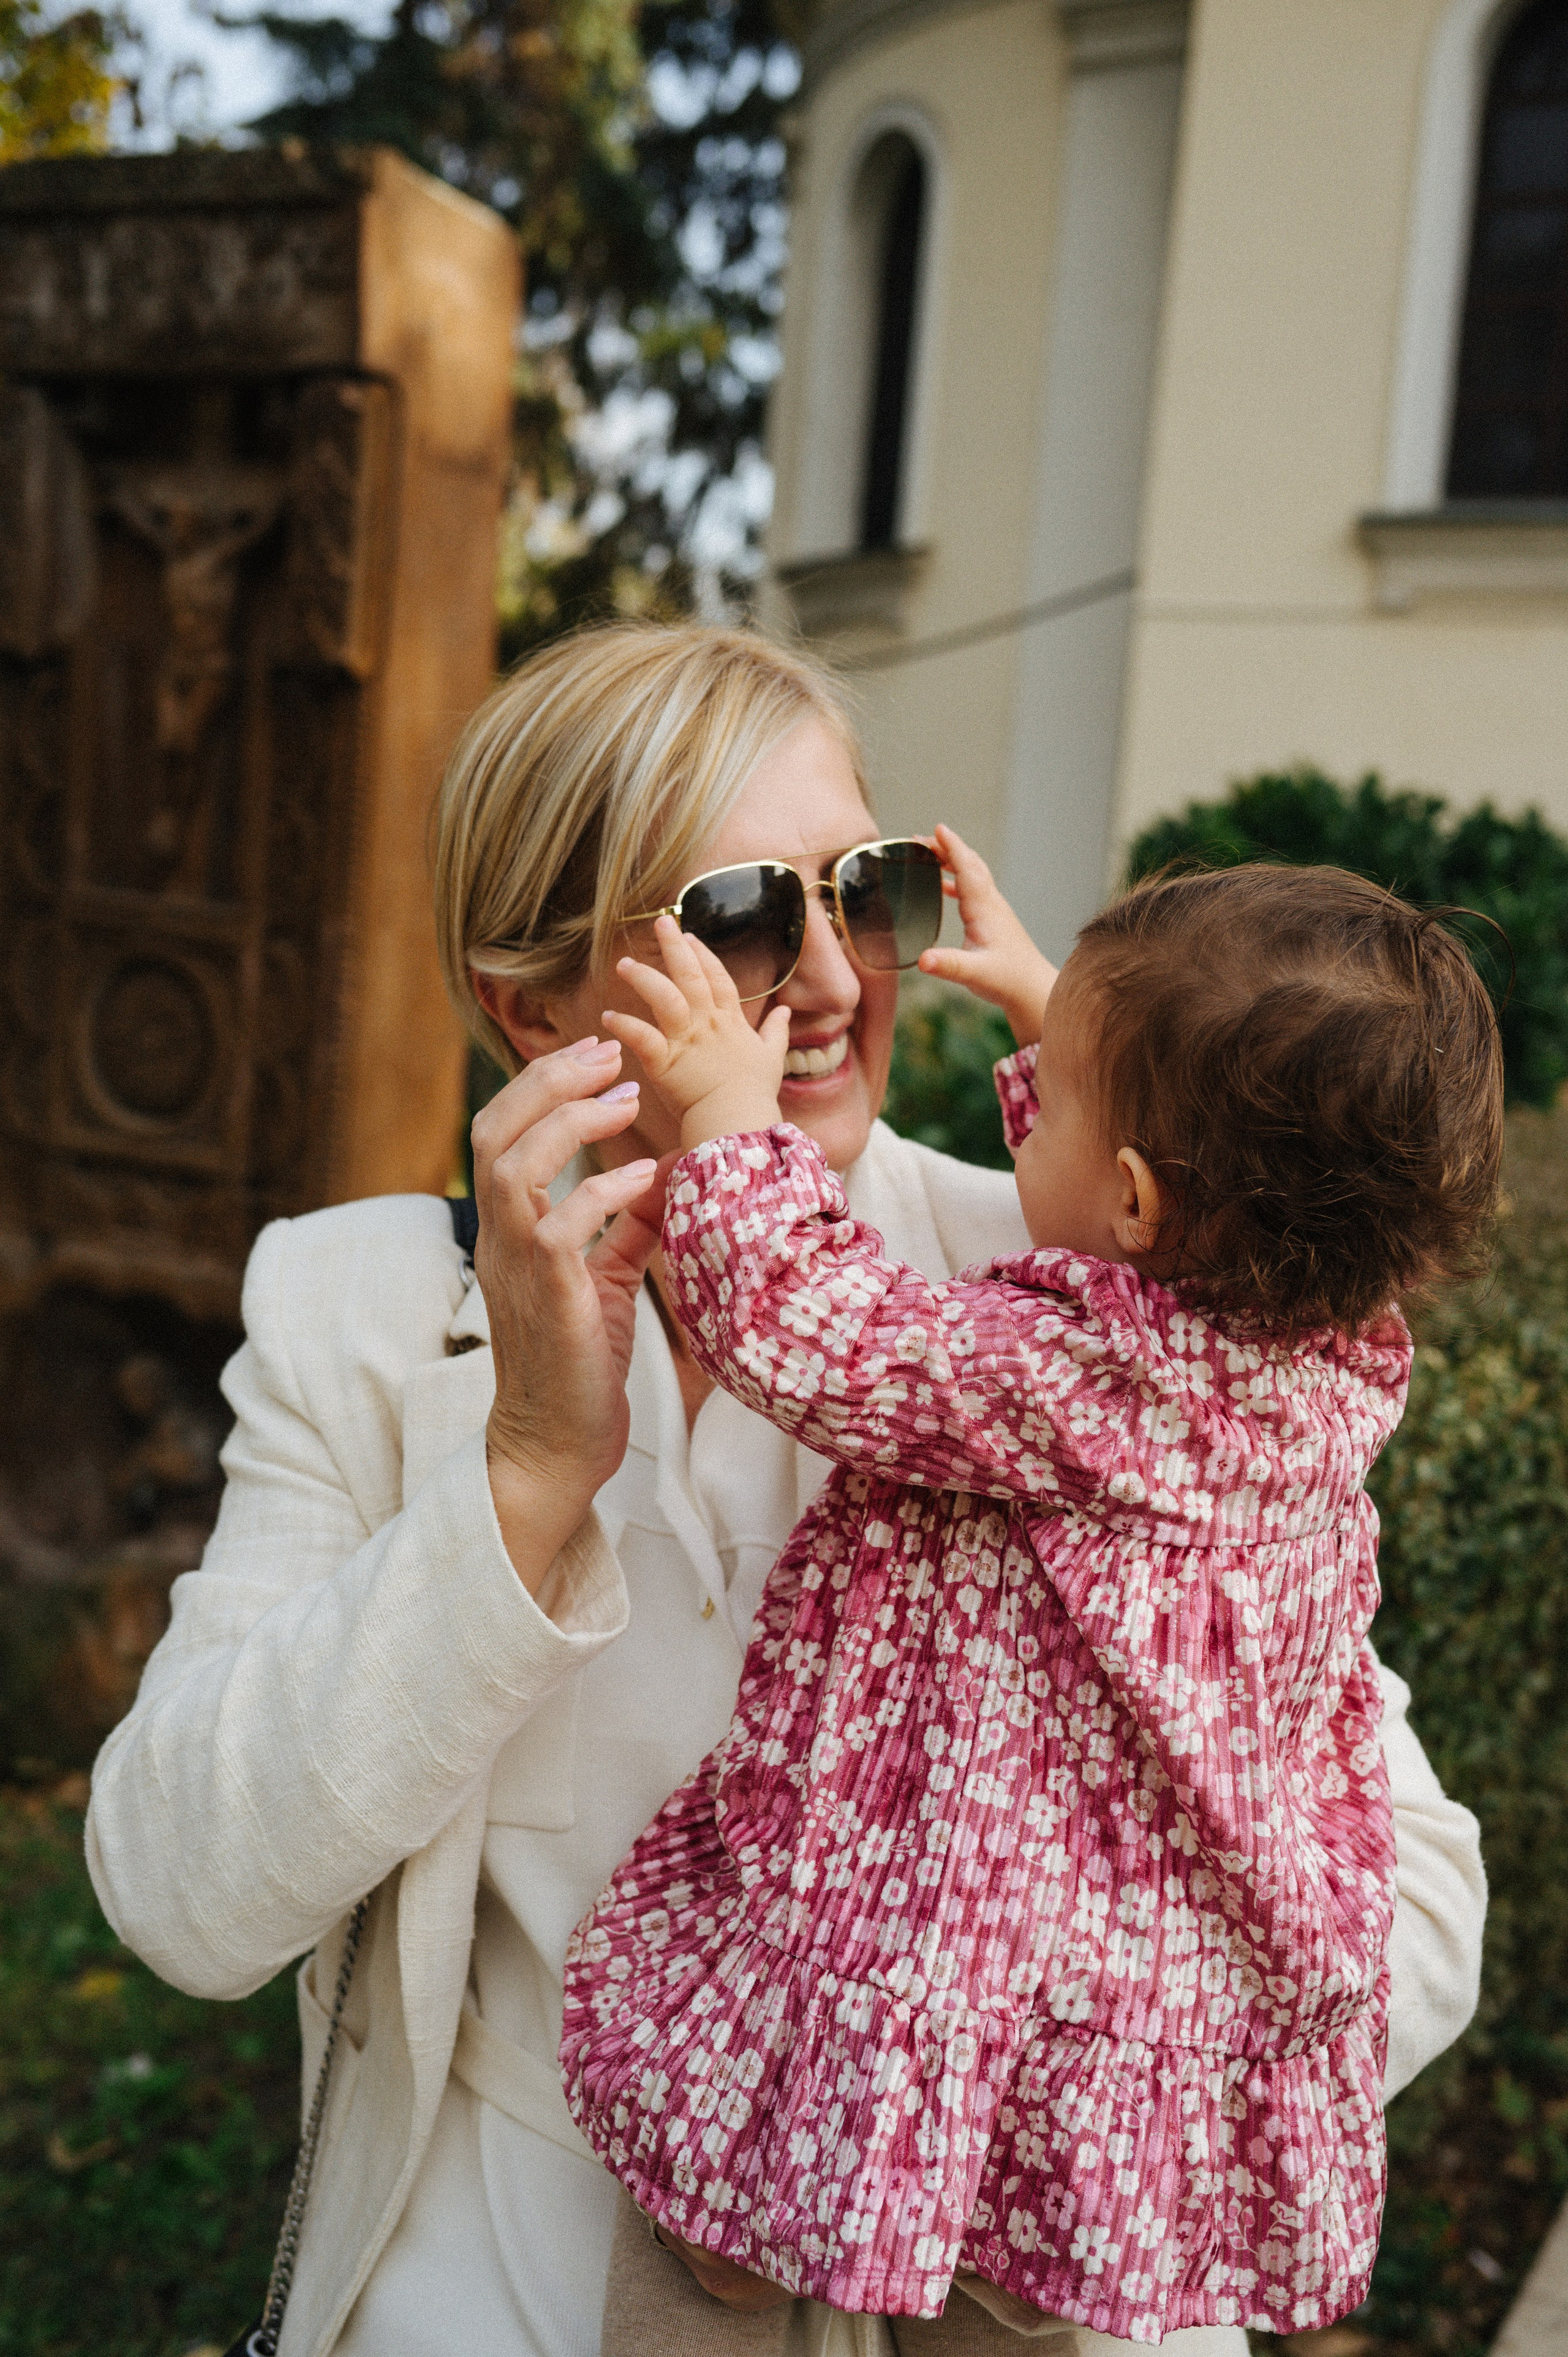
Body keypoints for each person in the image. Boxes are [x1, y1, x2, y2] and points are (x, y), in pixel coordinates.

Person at [84, 624, 1486, 2357]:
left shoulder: (1081, 1309)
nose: (831, 980)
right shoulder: (362, 1315)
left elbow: (1414, 1896)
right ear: (533, 1006)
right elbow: (180, 1893)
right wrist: (526, 1473)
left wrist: (992, 2099)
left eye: (867, 892)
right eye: (749, 916)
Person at [561, 842, 1504, 2351]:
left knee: (701, 2215)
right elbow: (1148, 1199)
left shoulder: (1086, 1378)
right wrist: (1069, 1031)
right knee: (1029, 2296)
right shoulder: (1319, 1368)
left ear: (1135, 1193)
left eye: (1053, 1090)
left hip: (946, 1914)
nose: (1028, 1109)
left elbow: (825, 1331)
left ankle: (731, 2264)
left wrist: (733, 1120)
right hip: (1112, 2017)